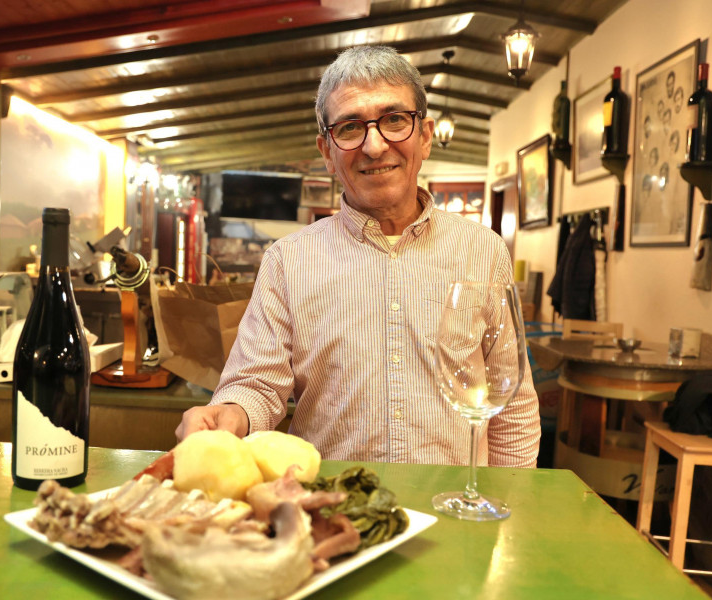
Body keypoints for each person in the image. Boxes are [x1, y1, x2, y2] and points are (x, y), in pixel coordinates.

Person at [175, 45, 540, 466]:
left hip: (456, 512)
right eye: (349, 127)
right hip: (336, 510)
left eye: (395, 120)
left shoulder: (484, 251)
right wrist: (230, 414)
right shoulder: (288, 261)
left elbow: (511, 404)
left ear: (425, 136)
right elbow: (257, 385)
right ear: (327, 152)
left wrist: (511, 507)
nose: (374, 145)